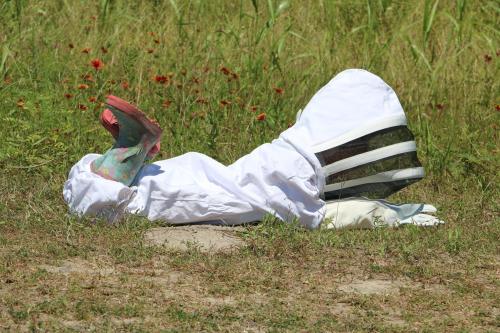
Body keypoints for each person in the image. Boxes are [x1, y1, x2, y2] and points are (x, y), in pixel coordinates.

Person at [63, 69, 444, 229]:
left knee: (168, 182)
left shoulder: (304, 189)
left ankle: (130, 152)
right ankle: (132, 149)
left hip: (268, 164)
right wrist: (392, 215)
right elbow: (353, 214)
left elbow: (349, 212)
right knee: (162, 192)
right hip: (274, 172)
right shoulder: (302, 197)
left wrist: (393, 212)